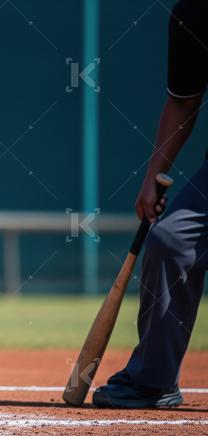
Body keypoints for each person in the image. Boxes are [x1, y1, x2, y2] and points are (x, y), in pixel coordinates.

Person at [93, 0, 208, 408]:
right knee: (171, 240)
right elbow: (183, 101)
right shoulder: (193, 13)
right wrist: (150, 178)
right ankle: (154, 380)